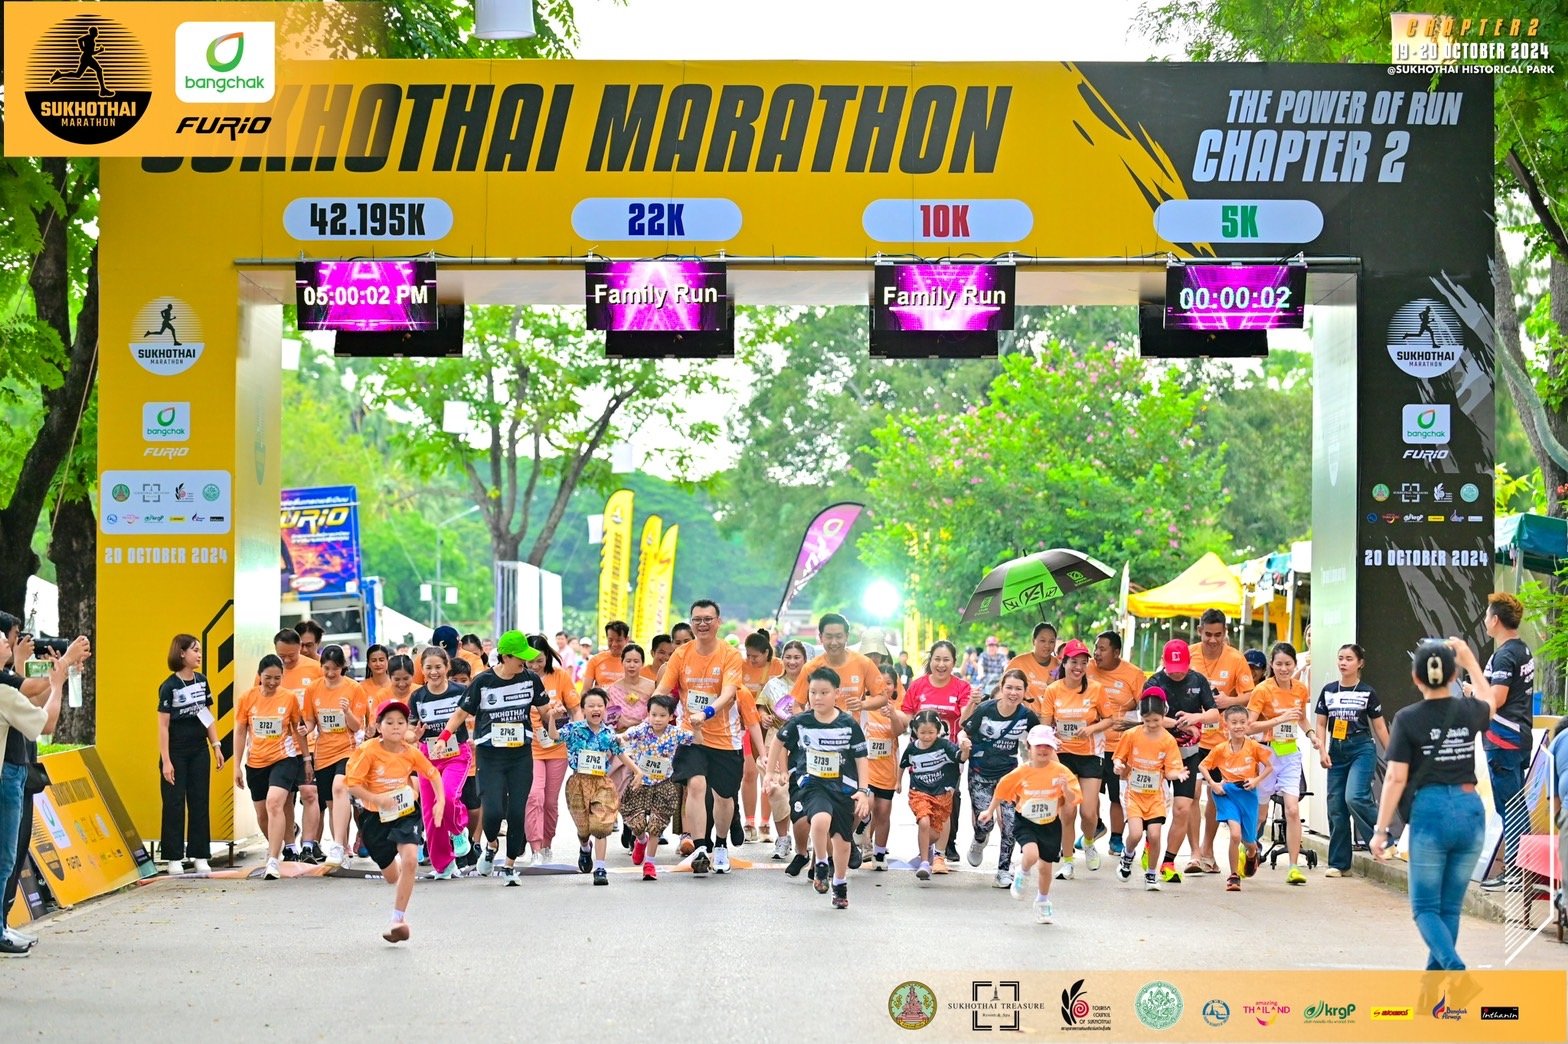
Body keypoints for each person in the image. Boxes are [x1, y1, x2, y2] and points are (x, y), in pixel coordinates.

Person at [1372, 639, 1501, 971]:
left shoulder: (1407, 719)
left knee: (1425, 909)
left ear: (1416, 678)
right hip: (1470, 810)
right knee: (1449, 909)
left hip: (1431, 814)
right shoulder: (1468, 710)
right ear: (1453, 676)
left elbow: (1395, 778)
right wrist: (1470, 661)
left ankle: (1454, 969)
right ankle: (1435, 993)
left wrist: (1381, 830)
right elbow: (1490, 701)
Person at [652, 600, 763, 876]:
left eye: (707, 619)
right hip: (691, 735)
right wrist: (654, 713)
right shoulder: (681, 654)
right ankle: (701, 847)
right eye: (697, 619)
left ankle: (721, 845)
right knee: (696, 785)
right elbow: (663, 689)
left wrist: (708, 711)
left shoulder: (729, 654)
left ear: (718, 622)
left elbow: (729, 692)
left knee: (724, 798)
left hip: (725, 739)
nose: (702, 624)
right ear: (691, 622)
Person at [439, 631, 550, 883]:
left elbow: (545, 711)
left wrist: (553, 718)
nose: (526, 663)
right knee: (492, 813)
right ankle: (491, 846)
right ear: (505, 657)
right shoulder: (483, 681)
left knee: (517, 812)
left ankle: (510, 866)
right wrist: (444, 737)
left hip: (520, 754)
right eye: (520, 658)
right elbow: (460, 713)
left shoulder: (531, 679)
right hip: (490, 755)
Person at [769, 667, 872, 909]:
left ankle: (840, 884)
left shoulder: (848, 724)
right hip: (813, 783)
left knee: (842, 841)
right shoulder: (801, 721)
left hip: (844, 788)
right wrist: (771, 773)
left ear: (836, 693)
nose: (817, 697)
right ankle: (822, 863)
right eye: (813, 692)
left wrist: (863, 792)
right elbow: (778, 741)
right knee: (820, 819)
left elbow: (861, 758)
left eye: (824, 692)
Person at [344, 700, 444, 943]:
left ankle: (398, 920)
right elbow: (352, 785)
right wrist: (376, 799)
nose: (396, 727)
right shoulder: (368, 751)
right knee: (391, 876)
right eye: (389, 722)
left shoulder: (410, 752)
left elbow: (433, 774)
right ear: (379, 726)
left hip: (405, 812)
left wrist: (440, 802)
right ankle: (399, 881)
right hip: (374, 819)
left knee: (410, 859)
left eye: (401, 722)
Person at [0, 630, 68, 957]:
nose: (8, 642)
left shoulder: (8, 684)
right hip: (7, 776)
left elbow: (32, 704)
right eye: (4, 639)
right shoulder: (3, 688)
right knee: (5, 858)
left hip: (14, 772)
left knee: (8, 856)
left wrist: (54, 678)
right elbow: (46, 723)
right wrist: (59, 677)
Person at [979, 725, 1081, 924]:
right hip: (1026, 821)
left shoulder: (1061, 771)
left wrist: (1065, 788)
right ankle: (1023, 872)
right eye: (1038, 746)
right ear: (1028, 747)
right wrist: (989, 811)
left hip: (1050, 824)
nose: (1043, 750)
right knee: (1032, 855)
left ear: (1053, 748)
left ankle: (1042, 901)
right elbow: (1002, 788)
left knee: (1045, 868)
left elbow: (1073, 799)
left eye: (1047, 746)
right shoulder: (1022, 771)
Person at [1039, 639, 1117, 879]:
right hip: (1063, 755)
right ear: (1064, 663)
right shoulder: (1053, 690)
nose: (1078, 667)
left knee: (1089, 813)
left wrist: (1091, 729)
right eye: (1074, 662)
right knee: (1068, 811)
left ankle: (1089, 841)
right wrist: (1052, 737)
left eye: (1083, 663)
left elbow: (1110, 719)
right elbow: (1045, 725)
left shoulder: (1096, 689)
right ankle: (1068, 861)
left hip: (1090, 754)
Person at [1144, 639, 1219, 884]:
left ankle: (1168, 861)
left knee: (1183, 808)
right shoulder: (1154, 683)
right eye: (1173, 668)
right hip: (1156, 754)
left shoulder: (1198, 681)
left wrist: (1196, 717)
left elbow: (1214, 713)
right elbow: (1149, 716)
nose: (1177, 673)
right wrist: (1180, 724)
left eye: (1182, 668)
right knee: (1153, 808)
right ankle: (1149, 842)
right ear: (1164, 663)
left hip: (1188, 754)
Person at [1189, 609, 1256, 874]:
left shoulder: (1236, 659)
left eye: (1218, 635)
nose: (1213, 640)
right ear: (1199, 631)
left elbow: (1250, 694)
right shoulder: (1190, 655)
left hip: (1221, 741)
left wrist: (1230, 701)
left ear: (1225, 633)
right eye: (1208, 634)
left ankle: (1207, 849)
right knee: (1192, 794)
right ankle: (1194, 854)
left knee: (1215, 795)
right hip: (1193, 737)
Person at [549, 688, 639, 885]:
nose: (596, 709)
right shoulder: (574, 730)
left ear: (605, 709)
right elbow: (554, 736)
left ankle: (600, 868)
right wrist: (552, 718)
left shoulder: (609, 733)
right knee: (583, 828)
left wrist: (638, 771)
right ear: (583, 709)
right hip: (578, 783)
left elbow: (620, 753)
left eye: (600, 706)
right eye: (591, 706)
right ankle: (585, 847)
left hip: (601, 783)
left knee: (601, 826)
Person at [1314, 642, 1389, 877]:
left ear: (1360, 663)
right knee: (1336, 806)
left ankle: (1384, 841)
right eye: (1340, 658)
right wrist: (1322, 750)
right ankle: (1340, 864)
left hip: (1361, 748)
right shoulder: (1328, 690)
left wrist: (1394, 756)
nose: (1343, 663)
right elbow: (1320, 724)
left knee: (1354, 797)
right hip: (1335, 750)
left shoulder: (1367, 692)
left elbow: (1379, 727)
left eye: (1349, 659)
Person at [959, 668, 1039, 886]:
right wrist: (963, 741)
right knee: (985, 823)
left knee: (1011, 824)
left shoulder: (1027, 716)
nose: (1013, 693)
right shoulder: (985, 710)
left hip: (1009, 776)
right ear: (1001, 688)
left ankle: (1003, 870)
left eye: (1018, 689)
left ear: (1024, 691)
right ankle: (979, 839)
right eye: (1009, 688)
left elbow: (1039, 740)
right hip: (980, 774)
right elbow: (964, 730)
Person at [1247, 641, 1319, 885]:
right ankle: (1249, 849)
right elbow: (1249, 726)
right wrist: (1278, 719)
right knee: (1261, 812)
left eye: (1288, 664)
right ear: (1272, 665)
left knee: (1292, 809)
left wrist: (1312, 735)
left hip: (1290, 753)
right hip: (1266, 753)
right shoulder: (1262, 690)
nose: (1284, 669)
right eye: (1279, 664)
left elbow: (1302, 719)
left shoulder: (1300, 689)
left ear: (1295, 665)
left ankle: (1294, 867)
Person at [1476, 593, 1535, 887]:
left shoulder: (1505, 654)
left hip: (1504, 740)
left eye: (1487, 615)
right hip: (1518, 738)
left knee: (1509, 808)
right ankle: (1522, 870)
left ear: (1495, 619)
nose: (1485, 620)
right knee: (1514, 805)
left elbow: (1496, 699)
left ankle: (1516, 872)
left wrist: (1474, 692)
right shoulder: (1523, 649)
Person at [234, 655, 309, 880]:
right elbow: (240, 732)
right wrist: (236, 766)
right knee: (262, 814)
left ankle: (272, 859)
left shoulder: (289, 698)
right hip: (256, 762)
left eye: (277, 678)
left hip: (284, 759)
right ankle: (280, 843)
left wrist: (306, 759)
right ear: (259, 676)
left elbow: (298, 729)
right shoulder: (247, 698)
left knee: (274, 802)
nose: (273, 682)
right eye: (268, 678)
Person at [901, 640, 972, 865]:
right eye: (937, 659)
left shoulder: (962, 687)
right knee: (924, 800)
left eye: (946, 660)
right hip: (921, 756)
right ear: (930, 660)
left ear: (954, 662)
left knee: (949, 799)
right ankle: (929, 844)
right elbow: (906, 716)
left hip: (949, 756)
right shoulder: (917, 686)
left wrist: (973, 704)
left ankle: (945, 846)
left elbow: (966, 719)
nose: (941, 664)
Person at [158, 634, 223, 875]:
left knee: (199, 801)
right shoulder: (169, 686)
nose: (199, 654)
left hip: (199, 750)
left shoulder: (202, 681)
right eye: (194, 650)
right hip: (176, 751)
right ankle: (173, 856)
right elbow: (163, 726)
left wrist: (215, 745)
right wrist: (166, 760)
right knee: (174, 803)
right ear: (181, 653)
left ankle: (200, 854)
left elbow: (207, 715)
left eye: (199, 650)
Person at [407, 647, 471, 878]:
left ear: (447, 667)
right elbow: (410, 730)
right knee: (430, 813)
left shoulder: (460, 691)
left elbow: (470, 715)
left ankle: (458, 830)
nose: (433, 672)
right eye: (428, 668)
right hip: (427, 757)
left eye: (438, 667)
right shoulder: (417, 697)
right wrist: (412, 736)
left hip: (456, 754)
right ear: (422, 670)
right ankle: (444, 865)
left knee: (448, 795)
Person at [1113, 694, 1188, 890]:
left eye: (1156, 720)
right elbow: (1119, 758)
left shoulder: (1168, 740)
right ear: (1141, 716)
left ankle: (1151, 874)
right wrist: (1118, 765)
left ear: (1164, 714)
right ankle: (1128, 855)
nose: (1152, 724)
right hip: (1134, 794)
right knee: (1136, 834)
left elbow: (1170, 770)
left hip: (1156, 797)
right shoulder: (1131, 735)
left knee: (1154, 835)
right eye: (1147, 721)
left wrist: (1178, 774)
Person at [304, 645, 369, 867]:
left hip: (347, 749)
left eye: (335, 668)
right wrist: (306, 729)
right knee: (333, 804)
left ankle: (338, 845)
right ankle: (341, 848)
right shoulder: (313, 689)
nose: (331, 673)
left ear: (343, 667)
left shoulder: (354, 688)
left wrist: (347, 712)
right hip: (323, 752)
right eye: (327, 668)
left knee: (339, 787)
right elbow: (311, 720)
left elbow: (357, 726)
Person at [620, 695, 697, 880]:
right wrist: (619, 738)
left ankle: (649, 863)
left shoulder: (674, 732)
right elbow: (624, 736)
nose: (657, 719)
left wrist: (698, 727)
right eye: (653, 714)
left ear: (671, 716)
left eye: (662, 715)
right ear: (648, 714)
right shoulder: (642, 729)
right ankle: (641, 841)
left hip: (663, 784)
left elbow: (696, 740)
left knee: (656, 825)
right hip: (640, 783)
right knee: (637, 824)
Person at [1200, 705, 1274, 891]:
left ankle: (1252, 853)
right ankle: (1233, 876)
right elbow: (1203, 766)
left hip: (1247, 794)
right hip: (1227, 793)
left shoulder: (1253, 746)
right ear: (1226, 725)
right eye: (1234, 723)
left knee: (1249, 841)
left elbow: (1269, 767)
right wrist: (1213, 784)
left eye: (1242, 722)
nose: (1238, 726)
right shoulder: (1220, 749)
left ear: (1247, 724)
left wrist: (1256, 780)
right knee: (1235, 834)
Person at [1087, 630, 1146, 856]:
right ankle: (1096, 825)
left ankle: (1116, 839)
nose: (1096, 653)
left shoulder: (1134, 674)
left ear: (1116, 652)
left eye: (1102, 649)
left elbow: (1146, 709)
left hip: (1118, 746)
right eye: (1096, 648)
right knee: (1087, 793)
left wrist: (1134, 728)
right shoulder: (1087, 668)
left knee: (1116, 796)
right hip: (1090, 744)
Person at [527, 635, 579, 867]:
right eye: (530, 661)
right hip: (530, 747)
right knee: (534, 796)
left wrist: (580, 735)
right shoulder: (519, 677)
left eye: (539, 660)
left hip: (557, 747)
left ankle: (547, 844)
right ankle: (535, 848)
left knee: (549, 801)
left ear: (547, 656)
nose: (535, 665)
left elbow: (575, 709)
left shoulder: (560, 676)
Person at [272, 628, 324, 863]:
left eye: (291, 656)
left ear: (299, 648)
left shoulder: (314, 668)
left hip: (310, 744)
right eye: (281, 656)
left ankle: (309, 846)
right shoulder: (270, 670)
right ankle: (290, 846)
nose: (286, 661)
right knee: (285, 798)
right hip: (281, 747)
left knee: (310, 793)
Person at [900, 709, 967, 880]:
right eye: (922, 732)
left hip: (941, 792)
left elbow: (960, 758)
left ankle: (933, 852)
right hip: (919, 792)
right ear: (915, 731)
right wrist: (897, 782)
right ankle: (924, 862)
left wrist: (965, 750)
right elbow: (903, 764)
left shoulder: (945, 746)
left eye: (931, 732)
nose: (927, 736)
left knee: (936, 831)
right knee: (924, 821)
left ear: (938, 730)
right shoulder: (912, 748)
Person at [757, 640, 808, 853]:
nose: (792, 661)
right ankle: (783, 838)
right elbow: (761, 706)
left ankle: (805, 836)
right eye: (788, 657)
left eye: (797, 657)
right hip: (775, 741)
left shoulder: (811, 684)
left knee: (804, 790)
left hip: (803, 743)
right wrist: (764, 717)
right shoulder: (773, 684)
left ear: (805, 660)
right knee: (776, 790)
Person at [864, 663, 910, 870]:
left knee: (883, 812)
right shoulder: (864, 706)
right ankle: (861, 835)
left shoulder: (895, 710)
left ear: (894, 687)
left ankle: (879, 853)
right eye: (879, 683)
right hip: (865, 768)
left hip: (886, 769)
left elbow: (898, 732)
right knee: (866, 804)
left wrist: (892, 715)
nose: (884, 687)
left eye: (889, 683)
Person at [740, 630, 784, 843]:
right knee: (749, 773)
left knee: (769, 774)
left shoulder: (778, 667)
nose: (751, 660)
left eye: (755, 656)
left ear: (766, 653)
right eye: (748, 655)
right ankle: (749, 822)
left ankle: (765, 823)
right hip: (747, 727)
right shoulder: (740, 666)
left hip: (772, 728)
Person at [1006, 623, 1060, 708]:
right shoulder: (1018, 663)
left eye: (1051, 641)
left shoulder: (1059, 666)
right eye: (1042, 640)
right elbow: (1004, 690)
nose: (1047, 645)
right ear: (1033, 641)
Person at [581, 621, 631, 692]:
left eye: (618, 640)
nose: (614, 644)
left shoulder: (633, 662)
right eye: (610, 640)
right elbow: (585, 690)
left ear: (626, 639)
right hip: (600, 698)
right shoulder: (595, 660)